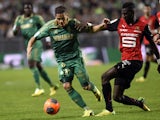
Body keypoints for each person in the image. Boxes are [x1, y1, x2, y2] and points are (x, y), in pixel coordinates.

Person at [27, 5, 102, 117]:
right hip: (62, 61)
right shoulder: (49, 26)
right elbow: (34, 37)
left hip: (76, 59)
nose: (61, 21)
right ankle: (87, 110)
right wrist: (29, 49)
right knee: (66, 86)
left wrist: (102, 26)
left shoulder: (74, 24)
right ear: (55, 17)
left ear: (67, 16)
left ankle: (94, 89)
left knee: (85, 86)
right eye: (58, 19)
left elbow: (91, 29)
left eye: (63, 18)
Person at [94, 2, 160, 116]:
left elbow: (153, 44)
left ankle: (108, 110)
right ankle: (139, 103)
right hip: (125, 60)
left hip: (135, 61)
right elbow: (105, 26)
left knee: (105, 77)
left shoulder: (143, 25)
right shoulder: (119, 22)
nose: (123, 16)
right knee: (117, 97)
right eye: (122, 13)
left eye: (125, 13)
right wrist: (92, 26)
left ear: (132, 12)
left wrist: (159, 61)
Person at [12, 2, 59, 97]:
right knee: (38, 66)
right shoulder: (19, 19)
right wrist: (16, 30)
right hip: (27, 44)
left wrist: (48, 40)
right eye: (26, 8)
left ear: (32, 9)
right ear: (23, 9)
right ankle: (52, 85)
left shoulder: (37, 18)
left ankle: (39, 88)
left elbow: (46, 28)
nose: (28, 10)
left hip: (36, 43)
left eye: (29, 8)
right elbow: (14, 32)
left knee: (31, 63)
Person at [136, 4, 159, 82]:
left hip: (152, 41)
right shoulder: (141, 19)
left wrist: (155, 31)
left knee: (148, 59)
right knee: (151, 59)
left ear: (150, 10)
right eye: (146, 9)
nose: (147, 10)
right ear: (143, 10)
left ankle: (144, 77)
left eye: (149, 9)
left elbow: (158, 28)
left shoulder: (154, 18)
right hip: (145, 42)